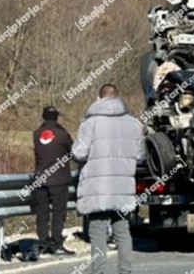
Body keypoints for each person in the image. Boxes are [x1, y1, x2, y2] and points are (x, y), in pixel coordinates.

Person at [72, 84, 144, 274]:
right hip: (122, 188)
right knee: (123, 232)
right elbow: (140, 155)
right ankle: (125, 271)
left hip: (97, 188)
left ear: (100, 99)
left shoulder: (90, 123)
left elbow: (79, 153)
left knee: (97, 233)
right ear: (117, 98)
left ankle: (99, 271)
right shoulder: (134, 123)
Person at [32, 106, 75, 255]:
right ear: (57, 117)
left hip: (40, 178)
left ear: (43, 116)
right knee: (58, 212)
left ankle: (43, 242)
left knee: (42, 212)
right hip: (58, 178)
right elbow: (73, 152)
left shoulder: (36, 134)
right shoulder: (62, 134)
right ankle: (56, 243)